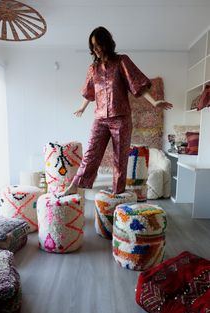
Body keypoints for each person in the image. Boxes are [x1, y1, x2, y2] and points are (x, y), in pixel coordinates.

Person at [60, 26, 172, 196]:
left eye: (98, 45)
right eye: (93, 46)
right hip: (100, 118)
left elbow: (137, 84)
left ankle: (117, 192)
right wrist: (82, 108)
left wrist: (154, 101)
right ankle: (75, 186)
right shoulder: (93, 69)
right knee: (91, 153)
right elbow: (90, 92)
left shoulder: (122, 61)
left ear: (107, 44)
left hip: (121, 118)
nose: (96, 49)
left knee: (120, 158)